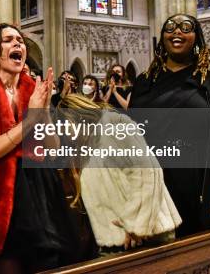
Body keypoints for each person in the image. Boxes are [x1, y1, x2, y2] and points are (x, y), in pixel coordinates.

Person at [130, 14, 210, 237]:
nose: (177, 31)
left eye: (185, 27)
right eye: (170, 27)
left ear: (197, 37)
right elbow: (131, 141)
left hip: (205, 182)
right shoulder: (145, 81)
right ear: (162, 38)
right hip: (158, 184)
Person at [0, 23, 76, 272]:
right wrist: (30, 120)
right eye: (8, 40)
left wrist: (43, 110)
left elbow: (52, 148)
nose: (18, 44)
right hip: (1, 191)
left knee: (49, 264)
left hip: (40, 189)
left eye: (20, 41)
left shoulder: (32, 90)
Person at [58, 94, 181, 253]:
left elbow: (147, 174)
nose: (66, 134)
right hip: (117, 242)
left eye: (66, 126)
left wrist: (135, 224)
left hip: (149, 234)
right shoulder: (85, 145)